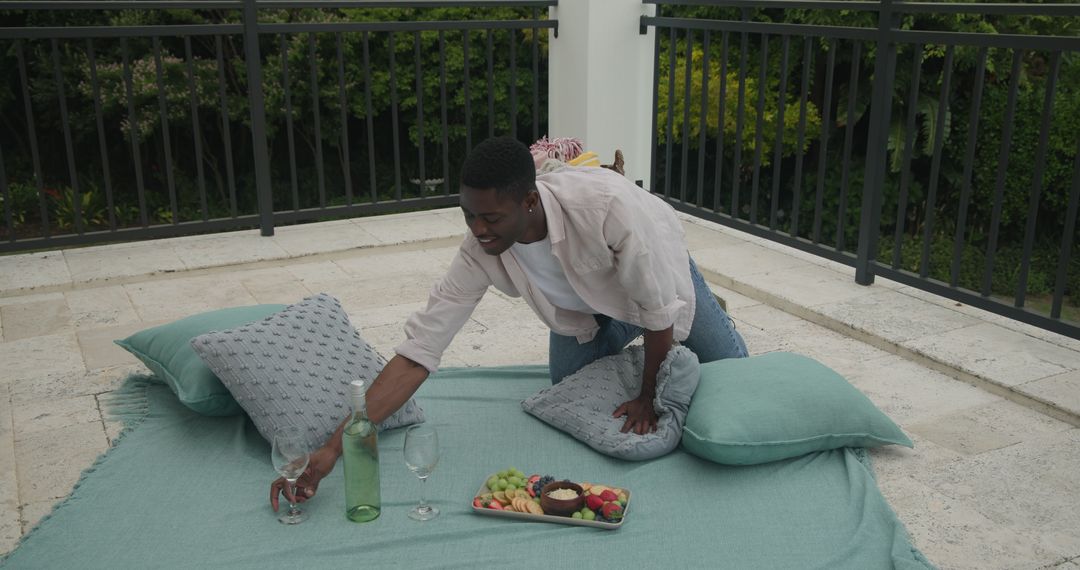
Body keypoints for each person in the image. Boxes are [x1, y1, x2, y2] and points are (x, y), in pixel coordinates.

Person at [270, 136, 747, 512]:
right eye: (469, 215)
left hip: (660, 279)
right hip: (586, 311)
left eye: (491, 218)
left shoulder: (606, 206)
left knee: (731, 372)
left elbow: (658, 308)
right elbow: (419, 351)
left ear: (530, 202)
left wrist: (648, 396)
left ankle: (703, 313)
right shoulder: (479, 249)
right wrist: (332, 449)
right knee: (568, 389)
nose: (479, 230)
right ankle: (629, 338)